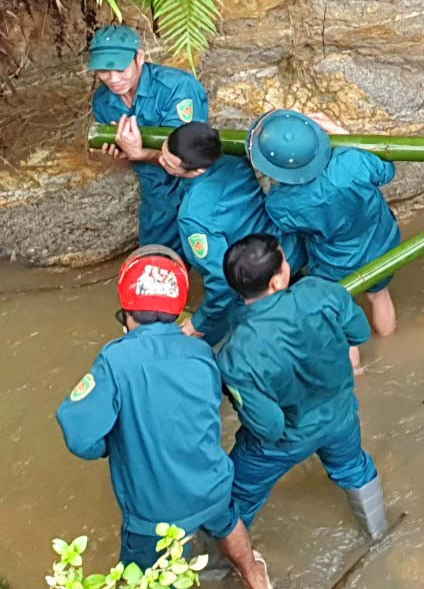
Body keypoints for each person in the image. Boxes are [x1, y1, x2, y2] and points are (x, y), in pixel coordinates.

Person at [56, 246, 269, 586]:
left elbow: (80, 438)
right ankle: (255, 575)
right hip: (211, 484)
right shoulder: (201, 352)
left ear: (126, 311)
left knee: (142, 576)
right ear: (178, 306)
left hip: (154, 509)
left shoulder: (115, 360)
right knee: (227, 521)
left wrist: (115, 443)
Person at [218, 233, 388, 539]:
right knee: (355, 468)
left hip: (284, 440)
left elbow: (269, 426)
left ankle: (219, 569)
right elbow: (360, 332)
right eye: (284, 262)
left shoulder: (236, 354)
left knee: (231, 500)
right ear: (277, 281)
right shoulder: (320, 292)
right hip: (340, 416)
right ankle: (378, 533)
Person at [247, 109, 400, 369]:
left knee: (341, 316)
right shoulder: (351, 161)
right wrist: (343, 133)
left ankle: (358, 374)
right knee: (380, 295)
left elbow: (292, 228)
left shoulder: (280, 202)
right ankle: (393, 348)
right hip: (380, 243)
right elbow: (387, 169)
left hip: (334, 262)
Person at [166, 121, 304, 346]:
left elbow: (221, 279)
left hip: (255, 279)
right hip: (285, 251)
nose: (162, 161)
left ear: (198, 169)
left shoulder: (194, 217)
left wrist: (199, 323)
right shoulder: (233, 160)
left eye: (169, 161)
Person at [89, 25, 209, 251]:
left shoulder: (177, 87)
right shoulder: (103, 101)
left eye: (121, 68)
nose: (113, 79)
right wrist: (121, 154)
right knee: (155, 262)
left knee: (211, 258)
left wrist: (140, 153)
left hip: (195, 185)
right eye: (104, 70)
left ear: (140, 57)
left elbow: (190, 157)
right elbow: (126, 159)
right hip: (156, 192)